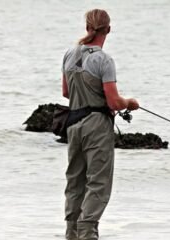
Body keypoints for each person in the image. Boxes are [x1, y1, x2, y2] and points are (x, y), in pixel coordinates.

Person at [61, 9, 139, 240]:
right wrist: (130, 103)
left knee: (75, 181)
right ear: (108, 30)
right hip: (96, 126)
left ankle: (71, 233)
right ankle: (87, 233)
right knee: (98, 183)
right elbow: (114, 102)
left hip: (73, 124)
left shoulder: (69, 54)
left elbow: (66, 92)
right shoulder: (103, 60)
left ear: (87, 27)